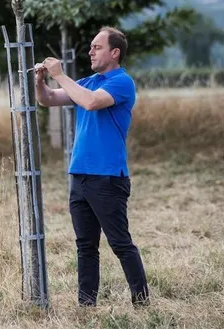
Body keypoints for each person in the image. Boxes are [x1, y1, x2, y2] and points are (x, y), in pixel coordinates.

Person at [34, 26, 150, 308]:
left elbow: (90, 102)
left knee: (120, 243)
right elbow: (48, 99)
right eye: (90, 47)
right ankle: (86, 305)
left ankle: (142, 303)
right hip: (80, 176)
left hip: (108, 178)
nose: (90, 51)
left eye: (96, 47)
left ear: (115, 52)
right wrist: (40, 81)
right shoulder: (86, 81)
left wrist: (60, 73)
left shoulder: (121, 82)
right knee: (85, 247)